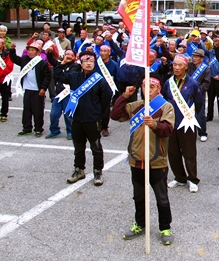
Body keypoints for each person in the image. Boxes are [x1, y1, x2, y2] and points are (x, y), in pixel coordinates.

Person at [110, 78, 176, 245]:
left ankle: (165, 227)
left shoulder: (165, 106)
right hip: (136, 159)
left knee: (161, 198)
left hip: (156, 161)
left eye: (152, 87)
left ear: (159, 88)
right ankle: (140, 224)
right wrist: (124, 96)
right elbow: (115, 115)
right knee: (138, 196)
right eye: (146, 87)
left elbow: (168, 130)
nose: (149, 90)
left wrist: (154, 124)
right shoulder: (135, 106)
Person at [55, 51, 113, 185]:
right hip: (77, 119)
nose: (88, 63)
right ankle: (79, 170)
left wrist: (103, 121)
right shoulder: (74, 77)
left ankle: (98, 172)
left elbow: (105, 101)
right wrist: (63, 62)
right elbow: (58, 76)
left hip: (92, 119)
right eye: (85, 61)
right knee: (79, 147)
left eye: (91, 61)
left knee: (96, 147)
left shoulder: (100, 80)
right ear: (80, 63)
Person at [162, 55, 204, 193]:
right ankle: (179, 177)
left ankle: (193, 179)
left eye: (180, 65)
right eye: (175, 65)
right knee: (173, 152)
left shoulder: (193, 83)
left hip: (187, 123)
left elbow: (199, 103)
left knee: (189, 152)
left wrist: (192, 117)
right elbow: (163, 99)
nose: (177, 67)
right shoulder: (168, 82)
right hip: (171, 123)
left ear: (186, 67)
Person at [9, 42, 51, 137]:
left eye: (33, 50)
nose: (30, 52)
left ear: (37, 52)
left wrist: (43, 88)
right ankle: (27, 128)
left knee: (38, 110)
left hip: (38, 90)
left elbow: (47, 77)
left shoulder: (42, 63)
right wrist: (12, 50)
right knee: (27, 110)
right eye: (29, 50)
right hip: (27, 89)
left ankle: (38, 129)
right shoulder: (25, 60)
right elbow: (14, 59)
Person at [45, 49, 81, 140]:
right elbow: (52, 60)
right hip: (59, 93)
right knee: (54, 114)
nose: (68, 56)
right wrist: (50, 53)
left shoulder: (76, 66)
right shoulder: (60, 64)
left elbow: (68, 77)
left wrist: (62, 65)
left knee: (68, 114)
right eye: (66, 54)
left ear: (74, 57)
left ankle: (70, 131)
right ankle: (54, 130)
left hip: (68, 93)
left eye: (70, 55)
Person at [187, 48, 211, 142]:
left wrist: (196, 90)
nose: (194, 58)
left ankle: (202, 133)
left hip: (199, 95)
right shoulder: (189, 66)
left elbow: (206, 83)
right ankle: (188, 132)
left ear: (202, 58)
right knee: (187, 112)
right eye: (194, 56)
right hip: (187, 93)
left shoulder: (206, 69)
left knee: (200, 114)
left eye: (197, 57)